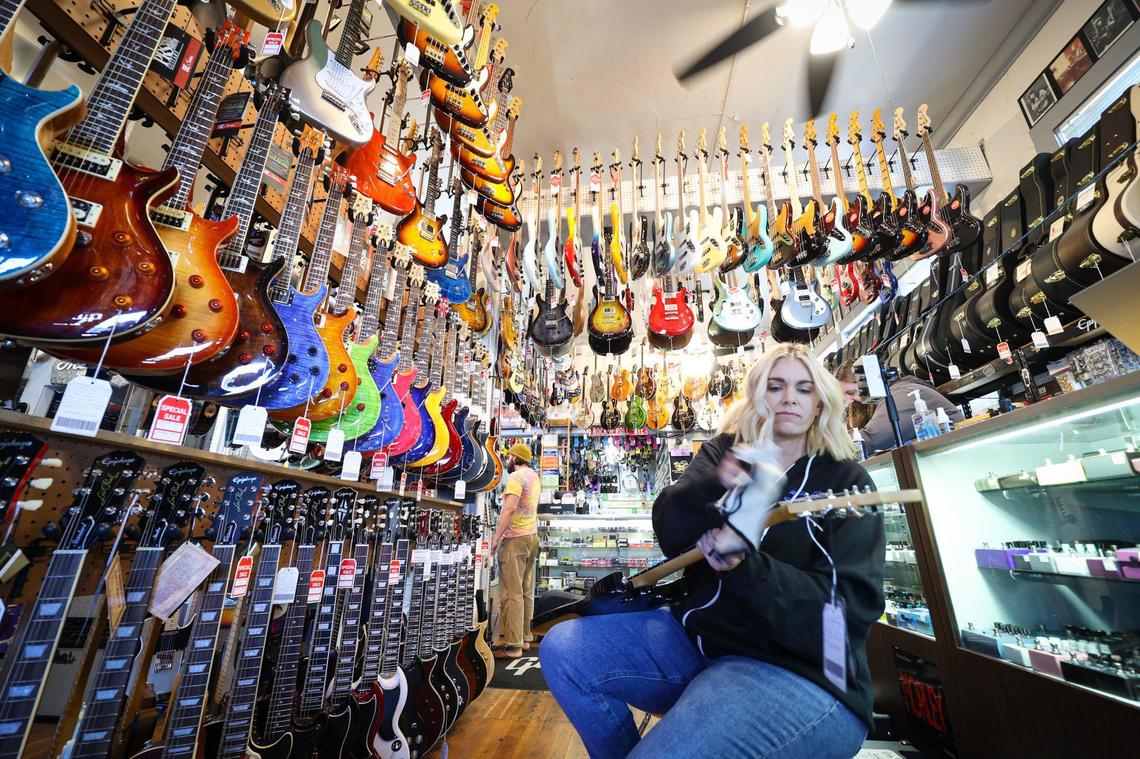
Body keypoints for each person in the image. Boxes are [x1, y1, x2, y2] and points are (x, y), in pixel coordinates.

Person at [541, 344, 885, 759]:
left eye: (804, 389)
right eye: (775, 387)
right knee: (564, 649)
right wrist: (720, 484)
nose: (789, 398)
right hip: (700, 641)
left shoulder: (847, 483)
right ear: (757, 398)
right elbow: (671, 529)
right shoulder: (726, 453)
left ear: (820, 404)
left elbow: (844, 617)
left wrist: (748, 569)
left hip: (798, 671)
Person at [836, 360, 963, 453]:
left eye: (851, 392)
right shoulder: (889, 397)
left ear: (869, 382)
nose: (848, 401)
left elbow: (872, 440)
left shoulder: (903, 393)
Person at [491, 441, 541, 659]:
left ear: (515, 458)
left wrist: (495, 537)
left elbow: (510, 509)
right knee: (525, 591)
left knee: (512, 594)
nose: (507, 460)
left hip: (515, 540)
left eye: (509, 457)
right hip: (532, 537)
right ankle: (525, 638)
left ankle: (513, 645)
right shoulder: (534, 476)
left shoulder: (515, 477)